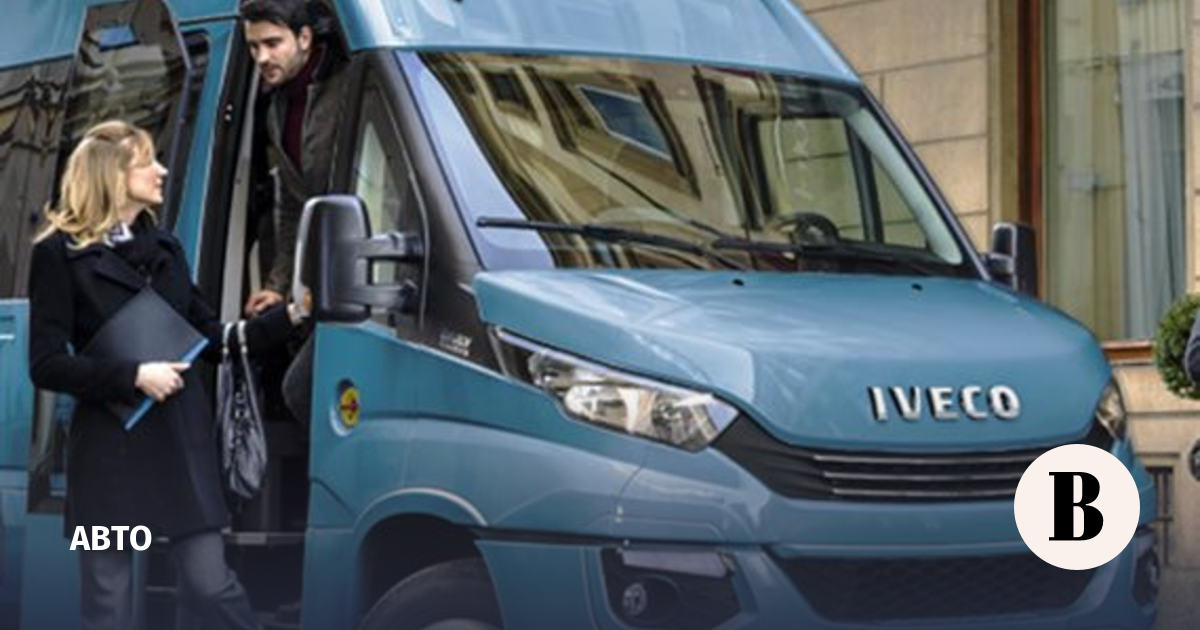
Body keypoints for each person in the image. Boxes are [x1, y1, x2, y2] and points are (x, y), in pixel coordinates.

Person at [27, 120, 305, 630]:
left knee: (209, 584)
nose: (161, 171)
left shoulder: (167, 249)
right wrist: (135, 376)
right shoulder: (57, 255)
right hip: (109, 460)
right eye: (147, 162)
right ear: (112, 175)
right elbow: (45, 364)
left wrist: (290, 317)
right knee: (108, 603)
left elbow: (210, 338)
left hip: (180, 450)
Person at [239, 0, 347, 319]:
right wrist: (278, 285)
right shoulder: (277, 106)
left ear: (304, 38)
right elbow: (292, 203)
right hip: (320, 280)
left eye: (272, 43)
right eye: (254, 46)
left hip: (355, 274)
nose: (262, 57)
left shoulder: (347, 87)